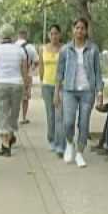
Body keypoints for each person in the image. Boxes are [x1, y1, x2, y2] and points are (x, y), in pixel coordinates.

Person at [55, 18, 104, 168]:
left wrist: (100, 93)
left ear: (86, 30)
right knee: (68, 122)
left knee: (83, 124)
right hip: (69, 90)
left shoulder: (93, 49)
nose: (79, 31)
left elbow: (98, 72)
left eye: (82, 28)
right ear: (73, 30)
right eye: (77, 28)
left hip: (87, 92)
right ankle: (70, 143)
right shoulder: (65, 50)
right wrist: (56, 93)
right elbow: (59, 73)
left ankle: (80, 153)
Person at [0, 24, 28, 157]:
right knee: (13, 113)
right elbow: (24, 69)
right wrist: (26, 85)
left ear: (0, 35)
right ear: (13, 36)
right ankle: (10, 136)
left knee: (1, 113)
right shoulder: (20, 50)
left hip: (1, 83)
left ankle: (5, 146)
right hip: (17, 83)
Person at [39, 24, 66, 157]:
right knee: (50, 114)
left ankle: (59, 141)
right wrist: (41, 81)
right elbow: (41, 67)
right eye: (52, 33)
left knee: (59, 115)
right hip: (46, 85)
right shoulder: (43, 49)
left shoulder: (64, 49)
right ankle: (51, 138)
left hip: (60, 86)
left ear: (60, 35)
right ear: (49, 35)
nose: (54, 36)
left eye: (56, 33)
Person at [16, 30, 39, 124]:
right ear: (26, 35)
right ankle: (23, 117)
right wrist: (31, 70)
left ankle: (14, 117)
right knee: (25, 97)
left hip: (14, 74)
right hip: (26, 74)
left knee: (14, 97)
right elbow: (37, 61)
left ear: (18, 35)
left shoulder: (13, 45)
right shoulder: (30, 47)